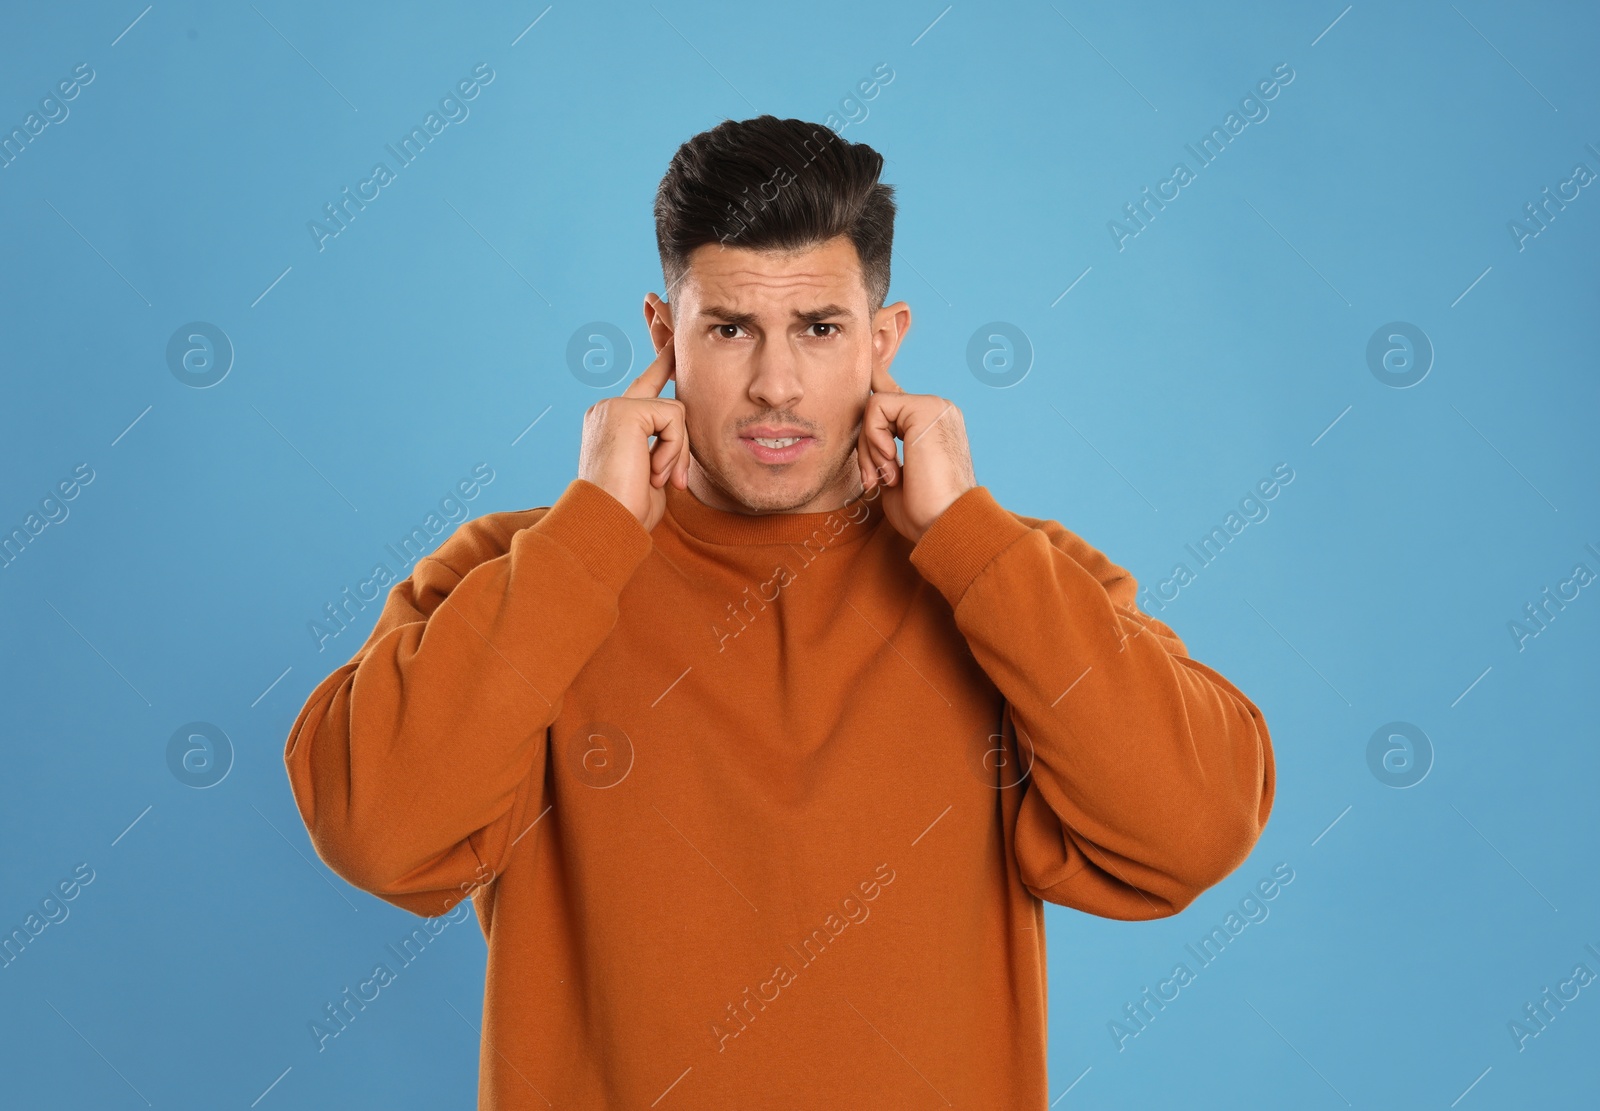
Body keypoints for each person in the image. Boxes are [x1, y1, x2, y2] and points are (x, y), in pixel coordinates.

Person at [283, 114, 1275, 1108]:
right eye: (728, 329)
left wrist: (969, 537)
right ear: (664, 337)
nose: (774, 385)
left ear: (884, 342)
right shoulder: (519, 573)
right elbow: (378, 829)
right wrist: (589, 534)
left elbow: (1192, 830)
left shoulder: (1014, 578)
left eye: (818, 328)